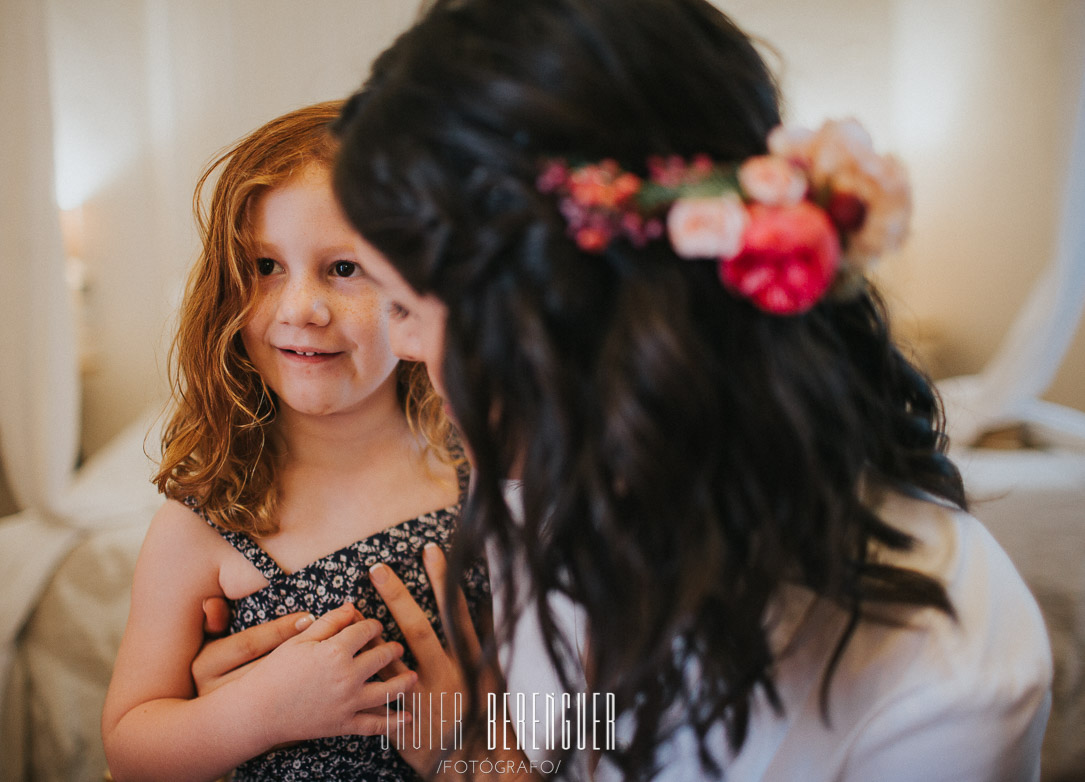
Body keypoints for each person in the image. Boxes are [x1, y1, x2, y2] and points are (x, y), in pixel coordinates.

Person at [192, 2, 1053, 780]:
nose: (407, 350)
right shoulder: (544, 474)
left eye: (411, 307)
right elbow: (578, 730)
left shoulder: (938, 678)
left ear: (573, 310)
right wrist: (465, 745)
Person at [101, 100, 490, 782]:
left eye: (343, 269)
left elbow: (574, 714)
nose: (298, 308)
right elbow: (131, 747)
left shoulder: (478, 474)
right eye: (264, 266)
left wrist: (470, 742)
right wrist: (257, 710)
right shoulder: (207, 524)